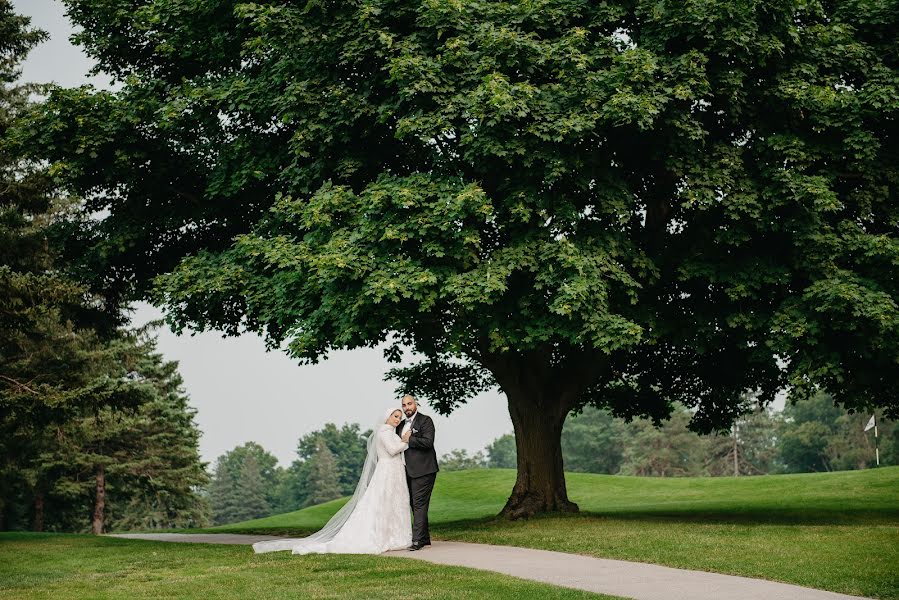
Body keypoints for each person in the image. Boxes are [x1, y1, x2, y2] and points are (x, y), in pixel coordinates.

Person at [252, 407, 411, 555]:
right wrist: (405, 440)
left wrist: (402, 441)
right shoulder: (384, 432)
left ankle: (394, 536)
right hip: (387, 470)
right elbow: (392, 450)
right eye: (395, 416)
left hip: (393, 471)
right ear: (387, 417)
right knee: (383, 502)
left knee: (392, 503)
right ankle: (380, 536)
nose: (397, 419)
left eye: (399, 417)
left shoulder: (390, 432)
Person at [396, 393, 439, 551]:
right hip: (407, 470)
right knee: (414, 504)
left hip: (425, 470)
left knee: (419, 504)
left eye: (409, 404)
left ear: (416, 404)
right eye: (404, 405)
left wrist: (410, 439)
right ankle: (424, 537)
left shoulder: (425, 421)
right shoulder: (400, 426)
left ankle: (416, 541)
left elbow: (428, 442)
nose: (407, 407)